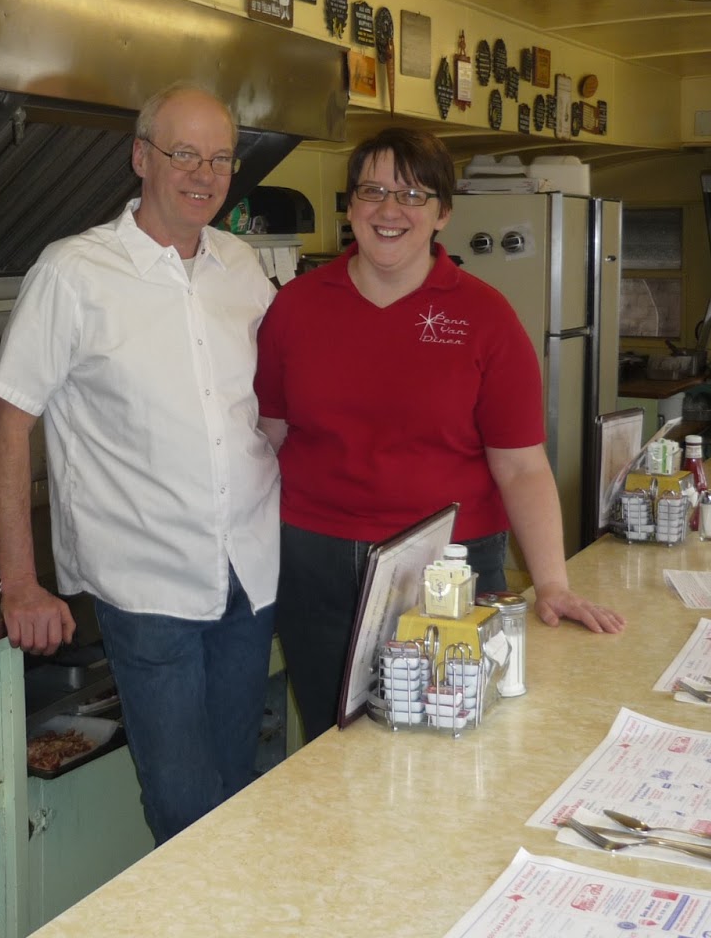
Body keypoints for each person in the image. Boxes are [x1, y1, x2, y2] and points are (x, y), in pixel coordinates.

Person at [254, 126, 625, 742]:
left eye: (413, 194)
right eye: (372, 191)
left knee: (452, 735)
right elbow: (267, 438)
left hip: (449, 565)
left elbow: (522, 466)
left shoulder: (485, 317)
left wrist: (553, 583)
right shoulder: (295, 307)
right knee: (333, 740)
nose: (389, 210)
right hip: (317, 563)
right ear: (350, 207)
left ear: (443, 213)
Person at [0, 84, 280, 844]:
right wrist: (19, 583)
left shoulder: (242, 266)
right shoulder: (74, 272)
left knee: (238, 786)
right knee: (185, 807)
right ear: (141, 158)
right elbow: (6, 425)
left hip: (249, 572)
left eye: (220, 157)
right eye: (185, 153)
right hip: (147, 582)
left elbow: (269, 407)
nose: (205, 173)